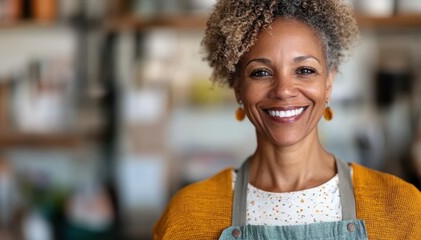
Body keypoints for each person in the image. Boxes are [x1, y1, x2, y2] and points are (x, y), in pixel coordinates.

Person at [154, 0, 421, 239]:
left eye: (304, 70)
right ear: (237, 87)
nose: (283, 90)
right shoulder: (187, 217)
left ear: (328, 83)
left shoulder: (402, 208)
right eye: (260, 72)